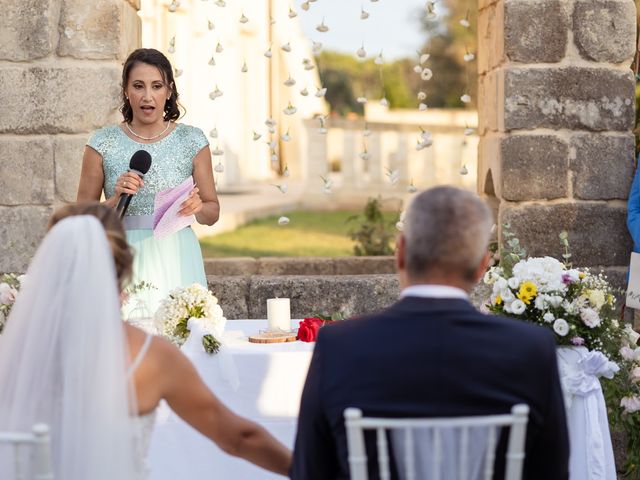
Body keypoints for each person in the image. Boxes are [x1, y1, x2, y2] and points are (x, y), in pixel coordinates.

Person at [290, 186, 569, 480]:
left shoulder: (339, 346)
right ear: (482, 265)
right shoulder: (530, 348)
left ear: (400, 253)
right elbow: (552, 472)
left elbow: (309, 472)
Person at [0, 203, 290, 480]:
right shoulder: (152, 358)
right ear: (125, 267)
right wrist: (313, 468)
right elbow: (237, 438)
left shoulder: (19, 350)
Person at [76, 48, 219, 319]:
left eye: (157, 86)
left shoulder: (192, 140)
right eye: (138, 86)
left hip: (177, 253)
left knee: (180, 337)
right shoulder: (102, 142)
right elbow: (82, 217)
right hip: (122, 254)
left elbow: (213, 213)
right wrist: (115, 198)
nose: (147, 96)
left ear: (169, 91)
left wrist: (197, 206)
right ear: (126, 91)